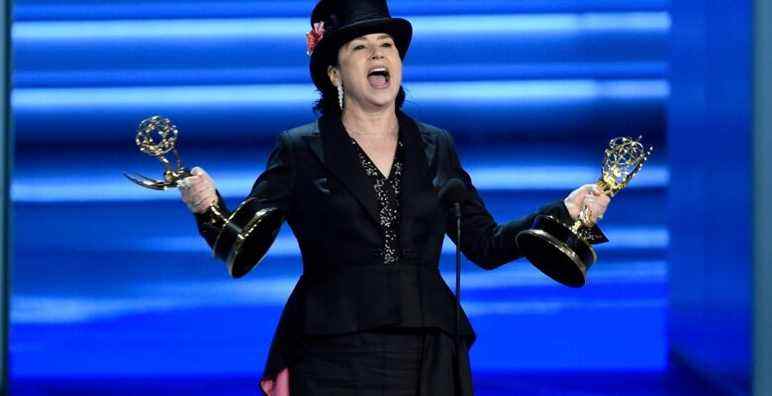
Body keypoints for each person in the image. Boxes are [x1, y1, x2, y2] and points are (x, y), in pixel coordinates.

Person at [178, 0, 611, 395]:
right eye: (361, 47)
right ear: (334, 73)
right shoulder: (300, 149)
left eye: (387, 45)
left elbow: (486, 244)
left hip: (428, 347)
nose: (379, 54)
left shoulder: (435, 145)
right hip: (333, 350)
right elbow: (244, 246)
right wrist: (207, 207)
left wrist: (563, 213)